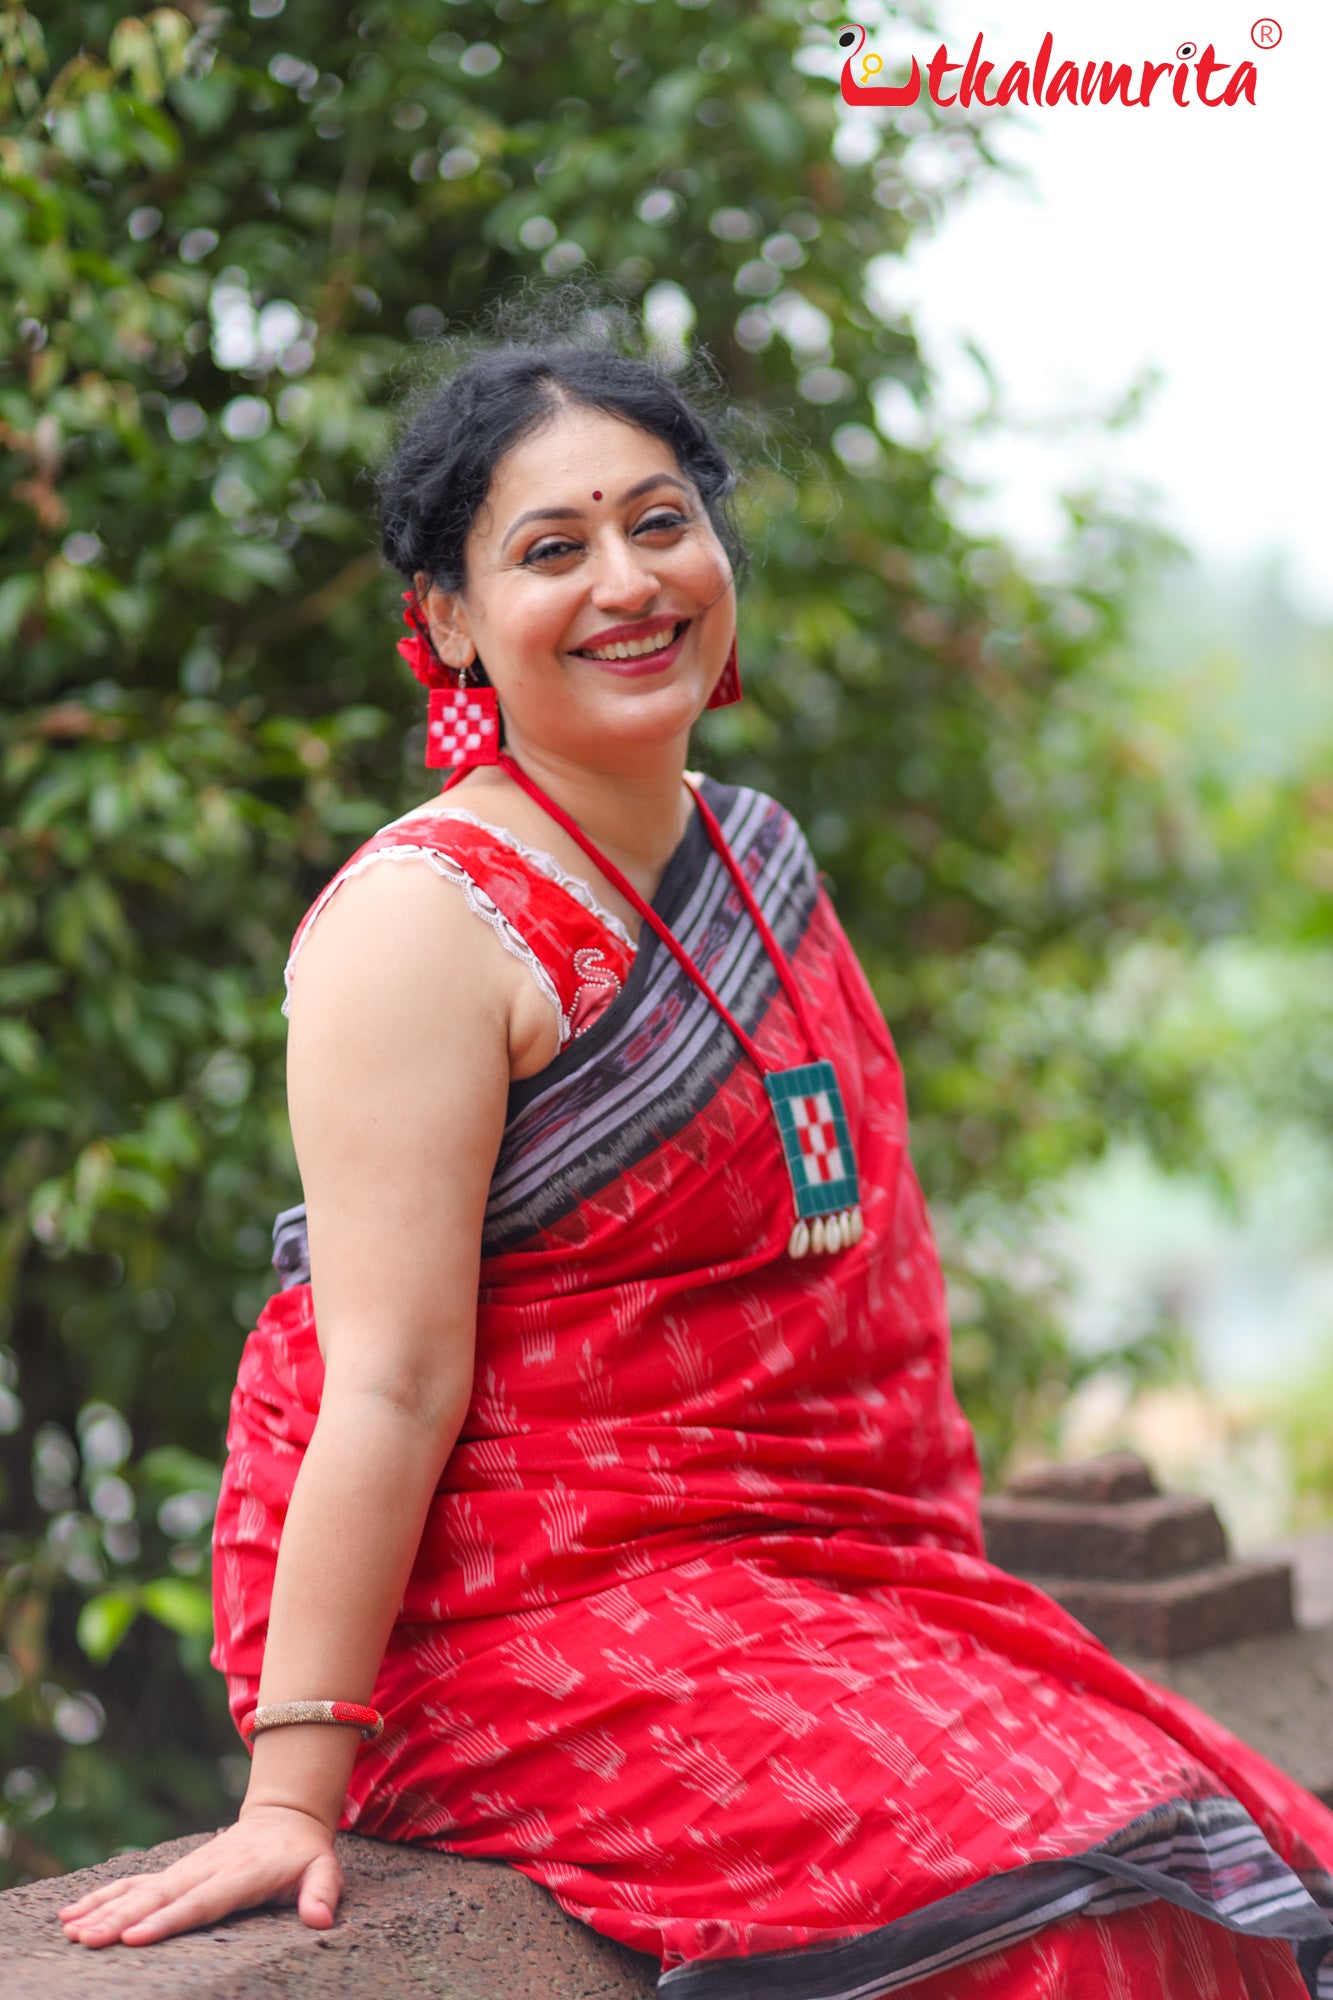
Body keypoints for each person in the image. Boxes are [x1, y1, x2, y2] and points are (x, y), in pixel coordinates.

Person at [60, 314, 1333, 1997]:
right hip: (505, 1616)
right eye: (549, 548)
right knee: (1059, 1910)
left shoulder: (753, 859)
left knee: (1183, 1833)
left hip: (800, 1573)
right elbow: (383, 1383)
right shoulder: (420, 927)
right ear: (446, 618)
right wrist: (293, 1792)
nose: (626, 582)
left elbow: (864, 1262)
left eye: (660, 522)